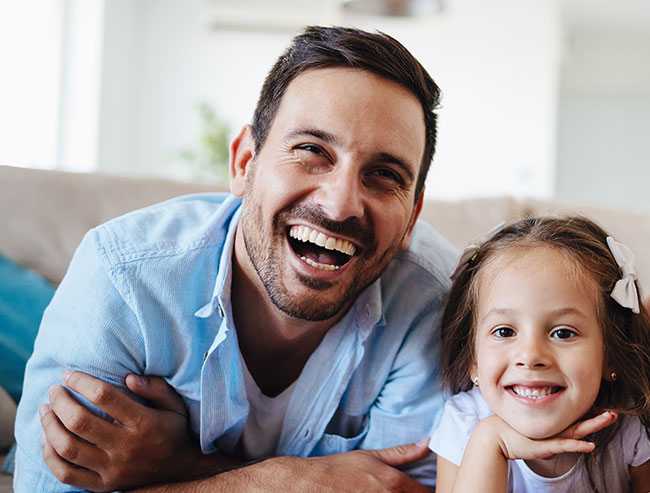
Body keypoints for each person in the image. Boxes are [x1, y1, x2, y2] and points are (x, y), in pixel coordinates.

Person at [14, 26, 455, 491]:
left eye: (384, 174)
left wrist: (180, 466)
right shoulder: (125, 277)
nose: (340, 203)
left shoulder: (437, 306)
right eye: (311, 151)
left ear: (412, 217)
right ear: (244, 163)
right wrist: (286, 482)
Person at [430, 216, 650, 492]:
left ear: (611, 355)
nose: (531, 356)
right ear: (473, 359)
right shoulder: (466, 424)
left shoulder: (631, 422)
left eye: (563, 333)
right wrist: (490, 441)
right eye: (504, 332)